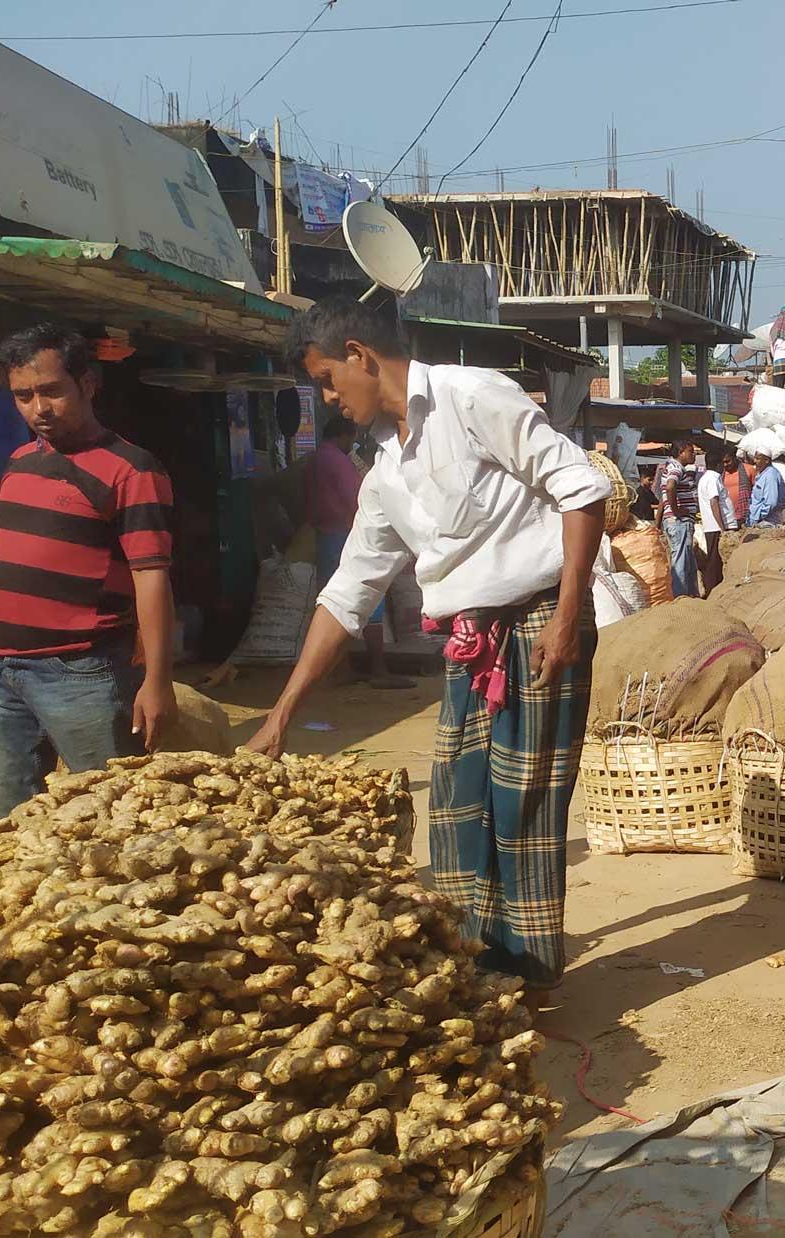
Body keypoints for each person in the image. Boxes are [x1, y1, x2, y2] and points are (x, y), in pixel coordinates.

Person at [246, 297, 611, 990]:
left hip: (539, 619)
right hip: (472, 641)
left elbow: (580, 489)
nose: (328, 397)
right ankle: (469, 960)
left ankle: (526, 973)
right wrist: (281, 714)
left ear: (359, 355)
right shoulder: (383, 468)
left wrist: (566, 619)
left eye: (327, 379)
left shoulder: (472, 396)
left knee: (523, 802)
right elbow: (349, 590)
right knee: (455, 797)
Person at [0, 324, 178, 827]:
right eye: (23, 396)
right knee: (2, 823)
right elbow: (8, 576)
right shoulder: (20, 463)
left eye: (51, 391)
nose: (38, 409)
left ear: (88, 384)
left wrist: (157, 680)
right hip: (3, 673)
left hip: (82, 674)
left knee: (110, 820)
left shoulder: (132, 470)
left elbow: (151, 578)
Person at [310, 413, 412, 689]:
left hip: (326, 535)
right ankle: (378, 670)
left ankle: (339, 669)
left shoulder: (318, 457)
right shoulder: (338, 461)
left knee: (332, 600)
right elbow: (357, 499)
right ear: (345, 434)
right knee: (369, 601)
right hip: (345, 534)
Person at [657, 439, 704, 599]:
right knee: (681, 561)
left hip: (678, 521)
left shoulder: (672, 467)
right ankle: (680, 597)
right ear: (681, 452)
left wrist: (659, 523)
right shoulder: (676, 467)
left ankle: (691, 595)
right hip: (679, 522)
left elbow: (663, 499)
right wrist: (676, 511)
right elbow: (670, 487)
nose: (694, 455)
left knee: (688, 560)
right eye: (691, 451)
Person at [695, 445, 737, 593]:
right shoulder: (713, 478)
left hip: (713, 527)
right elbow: (714, 502)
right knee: (716, 562)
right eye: (723, 463)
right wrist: (722, 527)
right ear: (718, 464)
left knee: (715, 560)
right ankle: (714, 591)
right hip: (716, 527)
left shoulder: (705, 478)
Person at [745, 448, 785, 527]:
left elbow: (771, 502)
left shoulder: (771, 475)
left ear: (766, 460)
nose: (755, 461)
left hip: (767, 521)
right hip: (757, 519)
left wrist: (760, 517)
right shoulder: (762, 474)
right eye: (755, 458)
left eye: (758, 459)